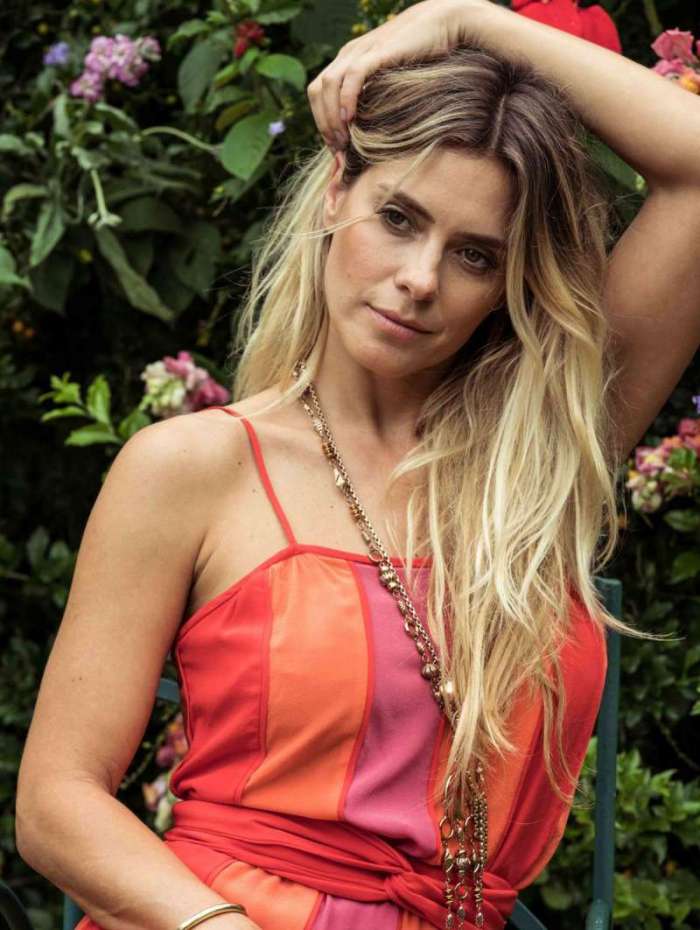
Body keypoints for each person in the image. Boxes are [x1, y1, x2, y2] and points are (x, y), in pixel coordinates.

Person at [15, 1, 700, 929]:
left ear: (507, 286)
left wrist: (464, 19)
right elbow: (56, 802)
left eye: (473, 255)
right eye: (399, 218)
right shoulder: (195, 468)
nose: (420, 278)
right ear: (337, 189)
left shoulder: (538, 462)